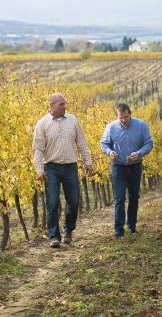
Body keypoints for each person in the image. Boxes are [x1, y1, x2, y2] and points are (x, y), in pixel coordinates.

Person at [33, 93, 93, 248]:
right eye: (61, 104)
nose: (65, 106)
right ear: (51, 105)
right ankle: (54, 236)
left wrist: (88, 162)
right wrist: (39, 169)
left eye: (65, 103)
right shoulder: (42, 124)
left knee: (73, 201)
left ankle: (68, 230)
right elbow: (38, 149)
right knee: (52, 202)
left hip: (71, 167)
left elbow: (81, 143)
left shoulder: (73, 120)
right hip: (51, 168)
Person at [100, 103, 153, 238]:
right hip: (118, 166)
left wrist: (140, 153)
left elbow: (149, 143)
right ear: (117, 117)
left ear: (130, 114)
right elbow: (104, 143)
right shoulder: (111, 127)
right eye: (120, 118)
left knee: (134, 196)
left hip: (135, 165)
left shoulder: (141, 125)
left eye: (126, 117)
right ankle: (119, 230)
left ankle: (132, 226)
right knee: (119, 198)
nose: (123, 120)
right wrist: (109, 151)